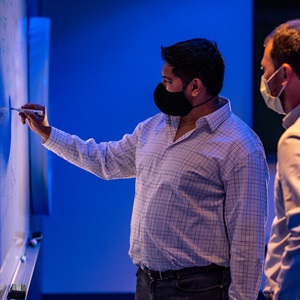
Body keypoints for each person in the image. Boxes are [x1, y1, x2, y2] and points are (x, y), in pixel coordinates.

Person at [20, 38, 268, 300]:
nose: (162, 87)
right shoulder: (154, 127)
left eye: (167, 81)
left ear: (195, 86)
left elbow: (248, 240)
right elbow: (105, 160)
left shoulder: (241, 146)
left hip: (199, 290)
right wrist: (48, 133)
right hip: (146, 283)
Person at [260, 19, 300, 300]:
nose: (264, 80)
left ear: (284, 74)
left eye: (265, 70)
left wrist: (280, 291)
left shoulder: (294, 139)